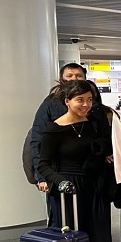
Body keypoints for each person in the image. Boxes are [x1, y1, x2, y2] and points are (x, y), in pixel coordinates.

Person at [38, 80, 114, 242]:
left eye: (89, 100)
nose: (85, 105)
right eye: (79, 100)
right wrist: (60, 181)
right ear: (67, 101)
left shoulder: (93, 124)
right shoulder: (54, 128)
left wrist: (105, 157)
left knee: (98, 241)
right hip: (68, 191)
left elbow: (101, 150)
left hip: (94, 188)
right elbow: (43, 164)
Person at [31, 63, 88, 196]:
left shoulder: (92, 103)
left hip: (89, 174)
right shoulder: (50, 104)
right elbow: (38, 140)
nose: (74, 78)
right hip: (59, 174)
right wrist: (42, 177)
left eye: (79, 75)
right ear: (62, 79)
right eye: (69, 75)